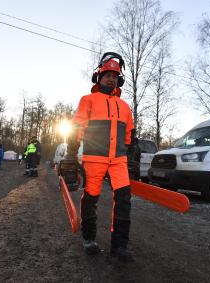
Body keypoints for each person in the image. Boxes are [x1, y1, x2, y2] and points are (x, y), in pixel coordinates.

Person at [64, 52, 138, 261]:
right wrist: (71, 152)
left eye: (115, 76)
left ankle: (120, 245)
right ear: (98, 76)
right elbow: (77, 125)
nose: (111, 78)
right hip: (94, 158)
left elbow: (130, 134)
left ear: (119, 79)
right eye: (107, 74)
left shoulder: (124, 106)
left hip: (119, 160)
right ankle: (89, 239)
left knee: (124, 199)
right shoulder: (88, 100)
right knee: (91, 198)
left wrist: (132, 157)